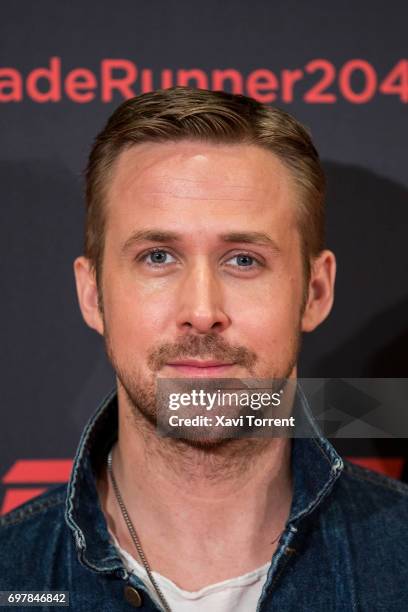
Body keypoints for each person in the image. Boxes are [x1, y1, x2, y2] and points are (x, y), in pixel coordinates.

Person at [0, 87, 407, 612]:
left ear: (315, 291)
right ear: (93, 294)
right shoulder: (13, 575)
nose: (201, 309)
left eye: (243, 260)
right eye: (157, 256)